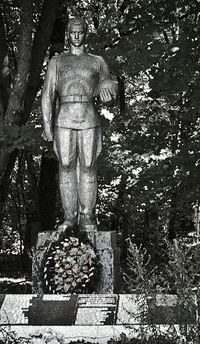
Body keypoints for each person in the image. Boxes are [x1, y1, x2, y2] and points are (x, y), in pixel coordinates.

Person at [41, 17, 117, 231]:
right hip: (64, 117)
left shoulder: (97, 61)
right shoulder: (57, 62)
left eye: (80, 32)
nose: (76, 36)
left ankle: (87, 216)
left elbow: (108, 86)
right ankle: (69, 217)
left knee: (89, 166)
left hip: (88, 117)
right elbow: (47, 95)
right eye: (72, 32)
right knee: (65, 166)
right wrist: (47, 126)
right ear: (68, 33)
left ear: (85, 33)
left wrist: (110, 91)